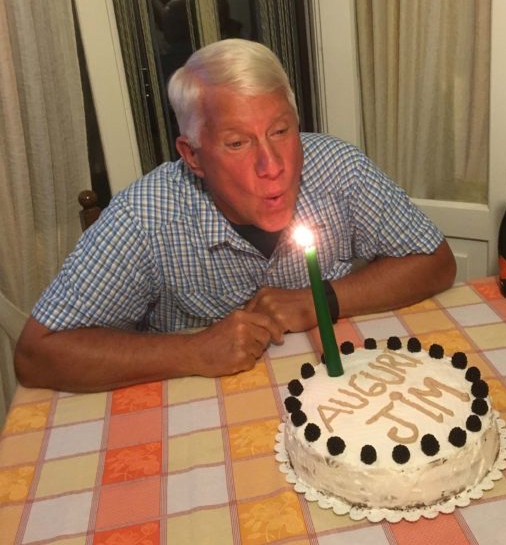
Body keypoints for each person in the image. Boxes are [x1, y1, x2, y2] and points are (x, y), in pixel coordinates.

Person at [15, 39, 456, 393]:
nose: (272, 165)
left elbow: (436, 261)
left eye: (280, 132)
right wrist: (192, 353)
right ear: (193, 155)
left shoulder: (338, 169)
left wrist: (319, 299)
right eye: (237, 143)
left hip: (330, 406)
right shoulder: (144, 216)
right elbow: (37, 354)